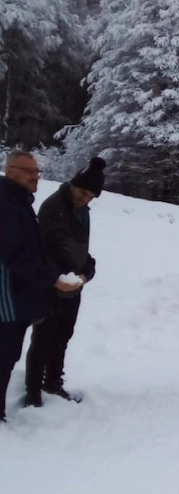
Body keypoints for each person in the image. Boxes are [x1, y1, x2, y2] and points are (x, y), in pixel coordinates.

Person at [0, 151, 81, 422]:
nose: (36, 177)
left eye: (37, 172)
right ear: (10, 171)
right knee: (4, 354)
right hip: (6, 295)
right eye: (29, 171)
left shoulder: (20, 202)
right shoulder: (6, 205)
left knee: (8, 354)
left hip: (19, 293)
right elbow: (14, 255)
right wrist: (53, 279)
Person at [24, 157, 105, 407]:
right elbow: (48, 249)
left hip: (73, 285)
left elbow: (79, 249)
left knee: (63, 335)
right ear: (73, 184)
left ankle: (53, 382)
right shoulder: (54, 206)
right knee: (43, 337)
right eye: (82, 193)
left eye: (91, 197)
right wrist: (62, 276)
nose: (85, 199)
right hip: (52, 283)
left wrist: (86, 270)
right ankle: (33, 393)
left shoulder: (83, 212)